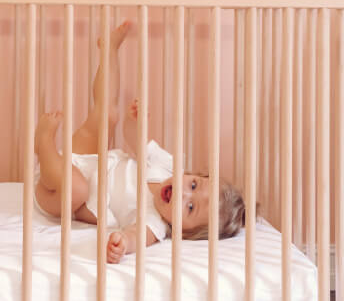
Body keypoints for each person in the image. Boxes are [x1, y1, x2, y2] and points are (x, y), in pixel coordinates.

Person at [34, 21, 248, 264]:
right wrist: (135, 122)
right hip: (89, 160)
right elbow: (134, 138)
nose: (183, 193)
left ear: (183, 231)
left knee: (77, 188)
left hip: (58, 194)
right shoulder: (167, 165)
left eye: (189, 208)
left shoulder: (155, 222)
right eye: (194, 185)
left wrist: (123, 244)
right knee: (107, 115)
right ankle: (109, 50)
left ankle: (43, 145)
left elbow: (135, 236)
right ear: (196, 175)